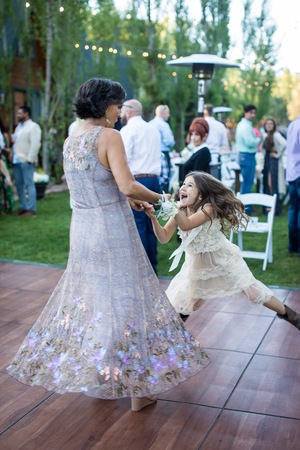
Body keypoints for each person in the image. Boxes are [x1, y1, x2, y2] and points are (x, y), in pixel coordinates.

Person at [6, 78, 209, 413]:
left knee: (97, 298)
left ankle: (100, 373)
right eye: (117, 105)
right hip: (111, 231)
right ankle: (138, 390)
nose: (119, 113)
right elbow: (128, 185)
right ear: (104, 104)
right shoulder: (108, 136)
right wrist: (163, 200)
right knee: (128, 301)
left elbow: (96, 186)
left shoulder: (72, 140)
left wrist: (128, 200)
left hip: (83, 230)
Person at [145, 171, 300, 330]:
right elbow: (163, 237)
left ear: (200, 195)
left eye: (190, 185)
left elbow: (187, 225)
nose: (183, 187)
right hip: (196, 264)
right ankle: (171, 334)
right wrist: (153, 219)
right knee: (188, 300)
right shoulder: (180, 209)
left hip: (223, 259)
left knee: (252, 291)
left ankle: (293, 317)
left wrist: (172, 208)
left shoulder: (208, 208)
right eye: (183, 184)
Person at [120, 99, 162, 274]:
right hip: (154, 181)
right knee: (152, 225)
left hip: (137, 181)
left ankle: (143, 270)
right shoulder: (153, 129)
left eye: (122, 110)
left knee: (139, 227)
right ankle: (152, 266)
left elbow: (123, 159)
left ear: (129, 111)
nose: (120, 114)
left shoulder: (128, 130)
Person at [11, 106, 42, 217]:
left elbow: (35, 144)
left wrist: (30, 159)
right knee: (19, 185)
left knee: (29, 185)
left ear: (26, 113)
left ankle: (31, 209)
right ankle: (23, 207)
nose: (17, 115)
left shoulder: (33, 126)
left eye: (19, 113)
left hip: (26, 161)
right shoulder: (18, 127)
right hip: (16, 160)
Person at [235, 105, 261, 209]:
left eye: (254, 113)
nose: (253, 115)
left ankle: (245, 207)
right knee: (247, 183)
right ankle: (246, 208)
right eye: (251, 113)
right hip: (247, 156)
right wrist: (259, 139)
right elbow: (250, 142)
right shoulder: (245, 126)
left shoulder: (244, 124)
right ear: (245, 113)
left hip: (245, 156)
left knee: (247, 183)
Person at [262, 118, 287, 216]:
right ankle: (269, 207)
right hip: (267, 161)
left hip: (273, 162)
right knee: (268, 184)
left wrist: (278, 154)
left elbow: (284, 144)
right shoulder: (267, 135)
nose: (269, 125)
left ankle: (276, 208)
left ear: (274, 125)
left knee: (273, 185)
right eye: (267, 124)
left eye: (271, 124)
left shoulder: (276, 134)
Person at [286, 115, 300, 256]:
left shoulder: (293, 124)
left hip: (291, 172)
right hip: (298, 172)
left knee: (293, 209)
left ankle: (292, 245)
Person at [149, 104, 175, 175]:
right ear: (162, 113)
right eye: (167, 113)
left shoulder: (149, 124)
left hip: (151, 154)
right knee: (165, 177)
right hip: (163, 154)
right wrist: (172, 143)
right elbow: (169, 141)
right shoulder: (164, 125)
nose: (168, 115)